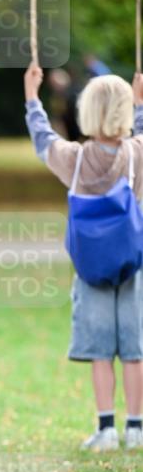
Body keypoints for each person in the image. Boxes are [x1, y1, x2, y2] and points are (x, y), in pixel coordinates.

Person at [24, 62, 143, 451]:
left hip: (91, 266)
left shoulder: (73, 159)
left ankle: (106, 428)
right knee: (134, 348)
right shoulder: (135, 154)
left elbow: (43, 139)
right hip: (134, 261)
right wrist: (138, 107)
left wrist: (31, 98)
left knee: (99, 350)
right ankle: (136, 428)